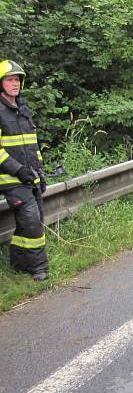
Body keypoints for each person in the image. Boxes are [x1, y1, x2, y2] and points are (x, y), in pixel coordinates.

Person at [0, 60, 48, 281]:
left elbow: (32, 146)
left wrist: (40, 172)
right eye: (10, 79)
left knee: (33, 221)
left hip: (30, 177)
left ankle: (18, 264)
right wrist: (19, 170)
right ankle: (40, 268)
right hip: (11, 179)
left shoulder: (23, 111)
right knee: (31, 221)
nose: (15, 83)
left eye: (17, 79)